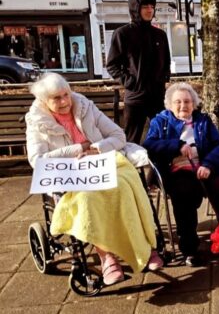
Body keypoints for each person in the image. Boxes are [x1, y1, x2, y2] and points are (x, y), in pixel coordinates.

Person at [25, 73, 163, 286]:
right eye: (56, 98)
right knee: (88, 200)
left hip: (104, 165)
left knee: (126, 189)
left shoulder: (85, 107)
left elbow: (118, 136)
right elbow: (37, 160)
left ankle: (145, 249)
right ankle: (107, 257)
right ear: (44, 101)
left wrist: (97, 148)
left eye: (66, 95)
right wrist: (79, 148)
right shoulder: (37, 121)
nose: (64, 102)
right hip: (68, 177)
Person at [143, 83, 219, 267]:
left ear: (194, 104)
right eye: (177, 102)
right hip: (178, 170)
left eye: (187, 101)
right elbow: (150, 145)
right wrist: (176, 145)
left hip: (205, 167)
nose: (183, 105)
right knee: (184, 194)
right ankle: (190, 248)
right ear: (169, 105)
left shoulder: (203, 121)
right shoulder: (160, 122)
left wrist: (208, 164)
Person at [107, 0, 171, 144]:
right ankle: (132, 168)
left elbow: (166, 61)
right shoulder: (122, 34)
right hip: (136, 98)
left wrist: (163, 79)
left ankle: (159, 167)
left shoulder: (160, 35)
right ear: (135, 9)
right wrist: (131, 83)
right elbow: (112, 65)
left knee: (164, 136)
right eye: (145, 7)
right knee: (131, 140)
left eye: (152, 7)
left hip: (158, 96)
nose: (150, 10)